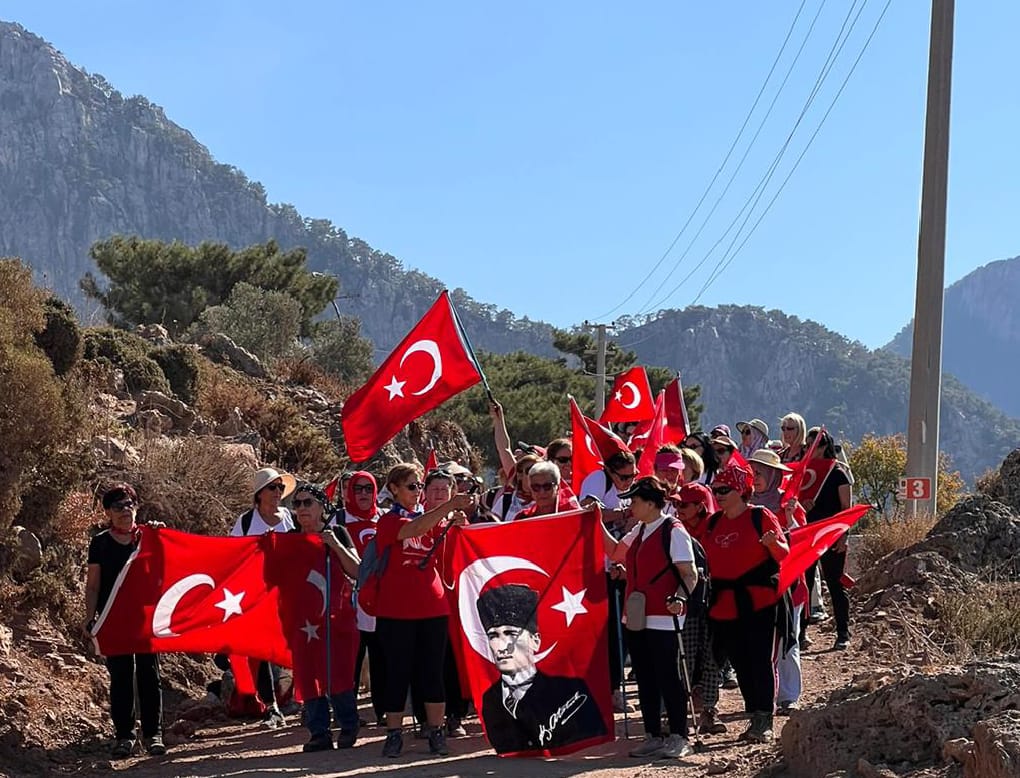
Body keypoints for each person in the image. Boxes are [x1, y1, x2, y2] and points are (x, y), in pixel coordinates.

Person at [374, 463, 476, 758]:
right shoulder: (389, 521)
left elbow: (446, 551)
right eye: (412, 486)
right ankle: (394, 734)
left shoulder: (429, 519)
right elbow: (414, 529)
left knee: (432, 673)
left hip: (433, 607)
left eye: (419, 486)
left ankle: (436, 731)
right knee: (398, 672)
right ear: (394, 489)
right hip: (396, 609)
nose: (418, 492)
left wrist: (457, 524)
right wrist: (446, 510)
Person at [600, 476, 698, 758]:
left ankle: (679, 735)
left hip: (664, 616)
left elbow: (689, 574)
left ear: (651, 503)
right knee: (645, 678)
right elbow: (616, 552)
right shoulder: (640, 530)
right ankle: (653, 734)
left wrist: (680, 598)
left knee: (668, 677)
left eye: (635, 500)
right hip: (637, 615)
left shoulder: (673, 530)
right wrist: (596, 520)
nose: (631, 505)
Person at [701, 463, 789, 743]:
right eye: (715, 490)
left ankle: (764, 718)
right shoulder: (713, 522)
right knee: (739, 662)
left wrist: (773, 543)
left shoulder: (759, 516)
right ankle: (754, 714)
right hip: (724, 603)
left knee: (759, 660)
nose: (718, 494)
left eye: (724, 490)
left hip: (758, 601)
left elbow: (783, 553)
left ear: (741, 490)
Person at [84, 483, 166, 758]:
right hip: (113, 617)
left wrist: (160, 535)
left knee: (149, 674)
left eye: (129, 505)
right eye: (118, 507)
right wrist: (90, 617)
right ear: (107, 512)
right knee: (120, 676)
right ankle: (125, 736)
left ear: (136, 508)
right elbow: (93, 585)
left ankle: (154, 734)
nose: (125, 511)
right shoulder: (100, 543)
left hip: (145, 617)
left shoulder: (148, 536)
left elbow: (168, 567)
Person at [477, 584, 606, 754]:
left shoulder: (572, 690)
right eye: (493, 636)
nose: (502, 647)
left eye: (511, 634)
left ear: (535, 641)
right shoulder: (489, 698)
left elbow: (589, 731)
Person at [286, 484, 362, 751]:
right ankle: (319, 732)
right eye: (297, 504)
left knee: (338, 672)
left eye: (308, 503)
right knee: (309, 674)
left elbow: (357, 570)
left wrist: (335, 545)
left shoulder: (338, 533)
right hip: (303, 622)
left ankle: (349, 725)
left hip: (336, 618)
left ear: (321, 507)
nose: (302, 509)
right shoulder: (289, 539)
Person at [230, 467, 297, 728]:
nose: (278, 493)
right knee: (262, 650)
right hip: (255, 594)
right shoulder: (246, 522)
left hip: (286, 593)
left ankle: (292, 695)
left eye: (280, 488)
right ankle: (270, 705)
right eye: (273, 487)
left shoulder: (289, 518)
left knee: (288, 645)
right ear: (259, 493)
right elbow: (232, 555)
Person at [579, 449, 638, 714]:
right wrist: (623, 514)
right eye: (624, 477)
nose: (628, 482)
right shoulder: (597, 479)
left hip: (622, 567)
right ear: (610, 472)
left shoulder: (627, 486)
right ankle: (604, 690)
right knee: (602, 633)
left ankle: (614, 688)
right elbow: (590, 511)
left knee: (620, 634)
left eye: (632, 476)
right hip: (597, 568)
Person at [747, 450, 805, 712]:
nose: (755, 477)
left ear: (774, 475)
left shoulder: (789, 505)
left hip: (790, 584)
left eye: (760, 472)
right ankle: (764, 695)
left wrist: (790, 520)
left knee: (788, 641)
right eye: (753, 472)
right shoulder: (745, 504)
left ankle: (788, 695)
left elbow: (802, 543)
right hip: (756, 586)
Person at [671, 482, 725, 735]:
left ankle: (710, 709)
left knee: (713, 655)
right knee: (685, 656)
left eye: (683, 504)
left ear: (700, 506)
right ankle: (680, 710)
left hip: (715, 599)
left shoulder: (717, 526)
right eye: (676, 504)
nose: (678, 508)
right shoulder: (675, 530)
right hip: (687, 602)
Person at [801, 428, 854, 650]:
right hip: (807, 534)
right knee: (804, 584)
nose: (808, 449)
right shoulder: (803, 472)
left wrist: (844, 536)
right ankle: (801, 632)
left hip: (831, 534)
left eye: (813, 445)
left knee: (834, 583)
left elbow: (846, 508)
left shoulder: (838, 473)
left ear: (823, 447)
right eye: (807, 445)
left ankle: (843, 632)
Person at [343, 471, 386, 728]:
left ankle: (382, 711)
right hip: (348, 600)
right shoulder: (339, 519)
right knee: (351, 659)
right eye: (357, 489)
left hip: (380, 599)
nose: (362, 494)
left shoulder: (385, 518)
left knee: (381, 657)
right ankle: (348, 713)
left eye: (368, 489)